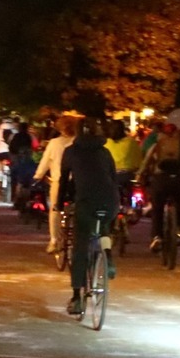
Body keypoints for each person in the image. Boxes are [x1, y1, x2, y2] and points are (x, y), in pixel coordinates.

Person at [58, 118, 119, 315]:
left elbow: (64, 180)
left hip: (86, 202)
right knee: (104, 227)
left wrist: (60, 205)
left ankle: (77, 297)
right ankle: (108, 257)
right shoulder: (105, 152)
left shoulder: (71, 151)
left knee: (80, 246)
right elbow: (112, 178)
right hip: (110, 201)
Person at [139, 122, 180, 252]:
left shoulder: (157, 143)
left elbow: (147, 161)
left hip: (160, 180)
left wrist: (140, 175)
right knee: (179, 201)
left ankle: (157, 236)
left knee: (157, 208)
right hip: (178, 179)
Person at [34, 114, 79, 254]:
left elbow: (45, 162)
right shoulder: (80, 142)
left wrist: (38, 176)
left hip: (59, 182)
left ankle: (54, 240)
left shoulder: (54, 143)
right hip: (78, 182)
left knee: (55, 210)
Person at [105, 119, 143, 201]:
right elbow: (139, 160)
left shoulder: (106, 143)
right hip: (128, 176)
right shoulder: (131, 142)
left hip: (111, 177)